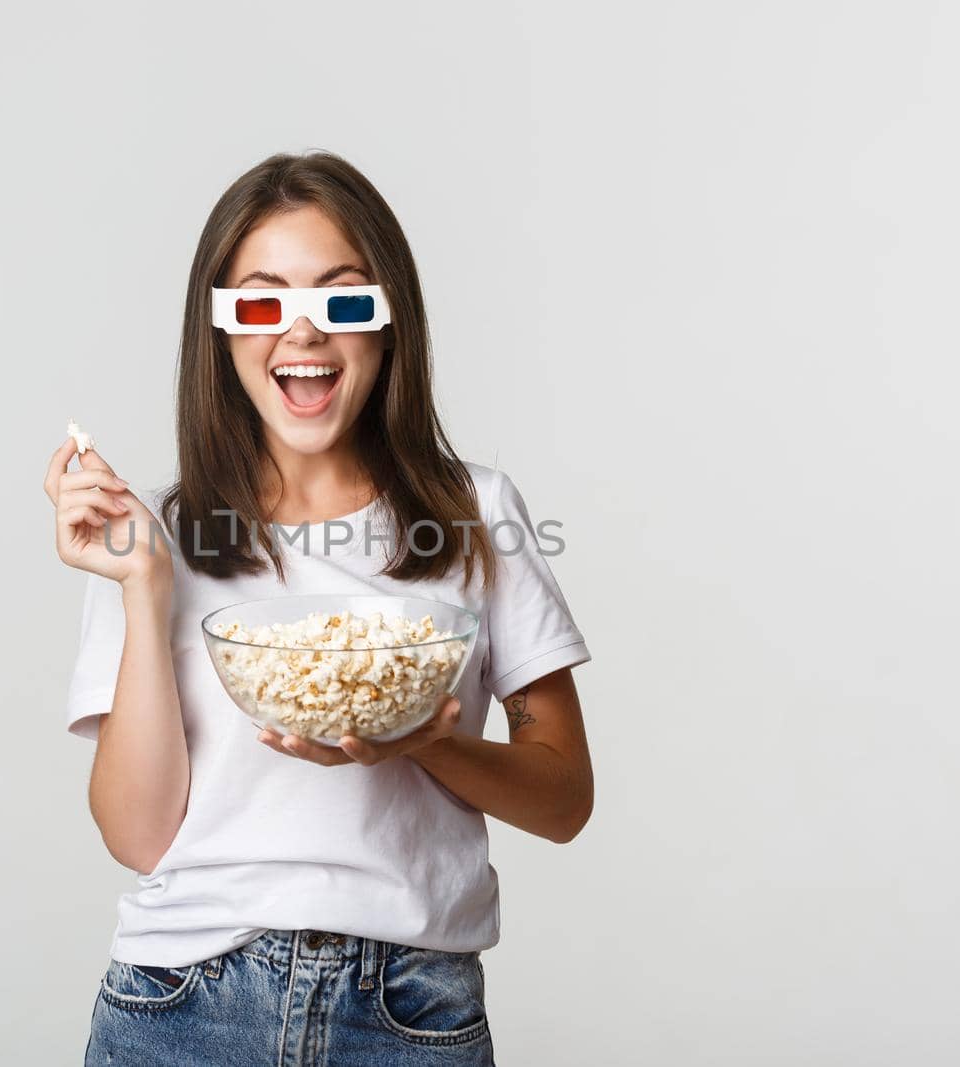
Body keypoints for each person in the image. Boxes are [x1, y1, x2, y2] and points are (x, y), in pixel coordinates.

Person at [43, 150, 593, 1065]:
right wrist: (145, 586)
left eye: (343, 300)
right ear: (220, 333)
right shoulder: (161, 534)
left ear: (390, 324)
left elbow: (565, 796)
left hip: (411, 1009)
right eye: (261, 304)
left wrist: (423, 738)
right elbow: (137, 836)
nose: (303, 335)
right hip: (184, 1003)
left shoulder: (474, 516)